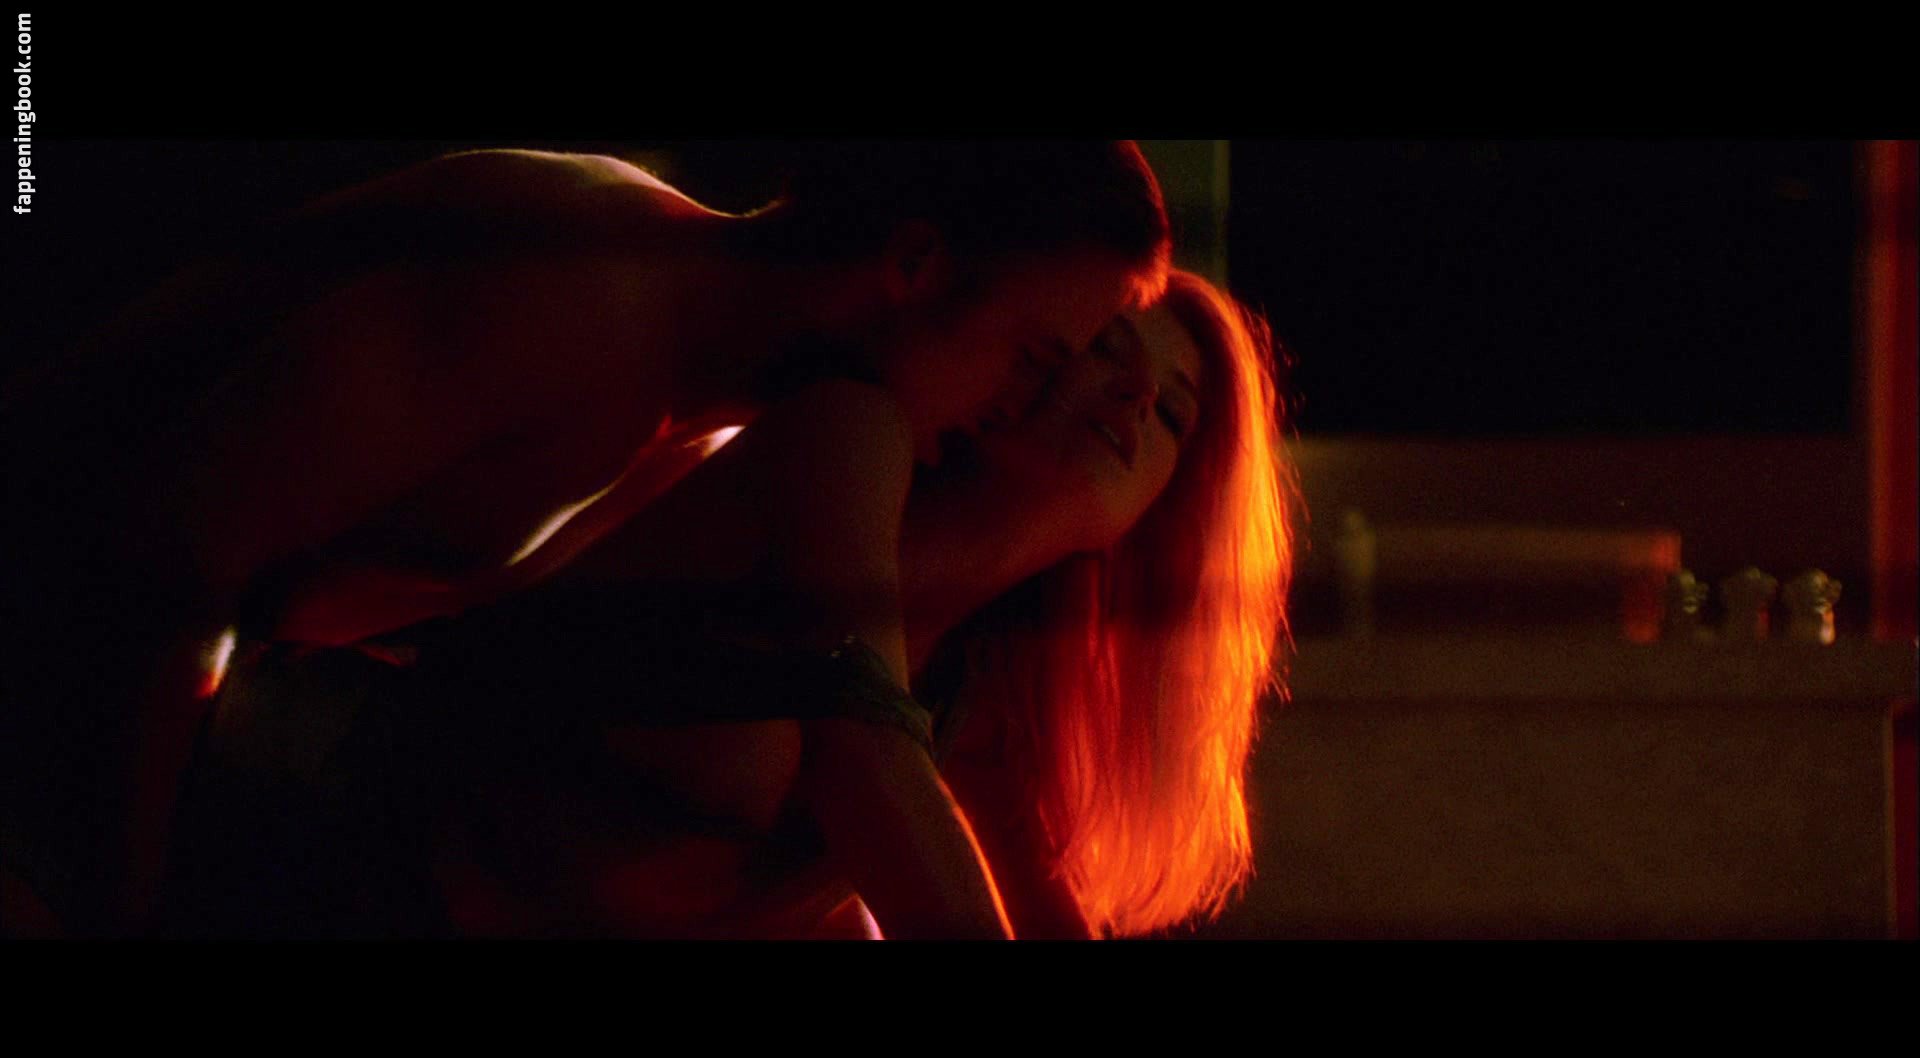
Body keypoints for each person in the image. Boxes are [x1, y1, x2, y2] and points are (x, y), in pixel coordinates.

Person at [0, 142, 1170, 936]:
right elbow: (168, 556)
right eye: (1030, 361)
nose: (1021, 408)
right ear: (914, 266)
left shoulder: (703, 423)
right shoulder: (578, 291)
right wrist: (117, 907)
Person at [154, 269, 1295, 938]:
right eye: (1108, 351)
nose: (1135, 399)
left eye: (1174, 412)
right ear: (1020, 362)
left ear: (1159, 515)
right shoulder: (842, 436)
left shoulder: (980, 704)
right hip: (258, 861)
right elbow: (858, 742)